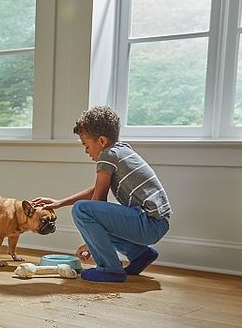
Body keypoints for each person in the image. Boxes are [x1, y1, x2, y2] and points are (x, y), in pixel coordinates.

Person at [33, 106, 171, 282]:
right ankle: (140, 254)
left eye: (86, 145)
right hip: (155, 222)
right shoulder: (120, 151)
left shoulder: (108, 156)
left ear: (102, 141)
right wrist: (59, 203)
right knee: (91, 212)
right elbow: (96, 190)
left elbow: (98, 201)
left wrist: (91, 244)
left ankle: (110, 269)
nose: (86, 151)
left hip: (149, 223)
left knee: (81, 210)